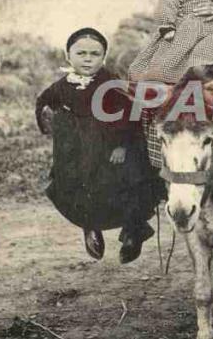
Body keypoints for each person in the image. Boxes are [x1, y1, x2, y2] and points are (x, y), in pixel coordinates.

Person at [36, 27, 156, 263]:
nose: (88, 59)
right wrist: (45, 115)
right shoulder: (63, 85)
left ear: (103, 57)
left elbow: (131, 113)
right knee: (74, 185)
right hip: (80, 152)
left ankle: (134, 230)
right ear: (68, 56)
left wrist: (122, 145)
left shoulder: (111, 83)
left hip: (113, 149)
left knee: (129, 182)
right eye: (81, 54)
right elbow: (44, 102)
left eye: (94, 54)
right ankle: (90, 226)